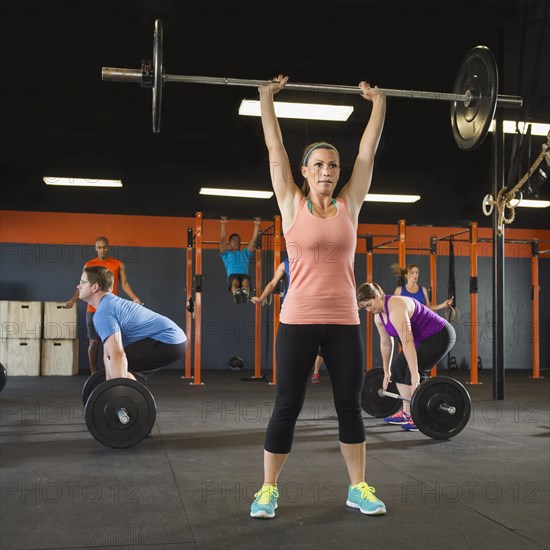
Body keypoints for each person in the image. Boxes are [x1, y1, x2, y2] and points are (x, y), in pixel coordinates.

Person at [249, 75, 386, 519]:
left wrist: (378, 103)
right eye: (319, 165)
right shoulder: (290, 204)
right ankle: (268, 489)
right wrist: (265, 99)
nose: (328, 171)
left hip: (345, 321)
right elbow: (276, 151)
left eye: (333, 166)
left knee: (350, 407)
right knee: (287, 405)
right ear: (305, 172)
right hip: (297, 321)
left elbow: (368, 151)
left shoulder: (352, 205)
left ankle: (357, 487)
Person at [356, 282, 456, 431]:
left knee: (413, 371)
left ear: (377, 296)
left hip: (439, 335)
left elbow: (407, 341)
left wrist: (415, 374)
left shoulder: (396, 306)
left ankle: (420, 416)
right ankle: (407, 413)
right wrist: (386, 371)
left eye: (369, 305)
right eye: (365, 308)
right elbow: (386, 344)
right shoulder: (379, 317)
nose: (369, 310)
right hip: (421, 340)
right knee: (398, 368)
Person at [76, 266, 186, 380]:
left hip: (167, 340)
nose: (78, 286)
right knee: (116, 365)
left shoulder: (103, 312)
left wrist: (116, 387)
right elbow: (107, 352)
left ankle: (125, 393)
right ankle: (124, 390)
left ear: (94, 287)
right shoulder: (107, 304)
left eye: (82, 282)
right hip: (174, 339)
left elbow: (117, 354)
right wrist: (108, 383)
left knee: (120, 366)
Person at [65, 236, 142, 373]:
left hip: (111, 309)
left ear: (108, 247)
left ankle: (111, 372)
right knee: (94, 342)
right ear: (95, 248)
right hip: (92, 309)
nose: (102, 250)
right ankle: (94, 374)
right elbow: (81, 287)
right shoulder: (89, 265)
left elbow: (124, 284)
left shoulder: (118, 264)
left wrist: (135, 298)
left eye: (104, 247)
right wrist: (72, 300)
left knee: (111, 343)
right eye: (99, 247)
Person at [251, 259, 324, 383]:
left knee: (312, 344)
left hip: (309, 308)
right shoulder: (285, 265)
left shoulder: (312, 262)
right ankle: (292, 375)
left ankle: (310, 372)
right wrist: (261, 297)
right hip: (291, 309)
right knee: (290, 343)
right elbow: (273, 283)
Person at [219, 217, 261, 303]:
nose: (236, 242)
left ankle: (245, 293)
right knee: (234, 282)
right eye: (234, 240)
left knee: (246, 282)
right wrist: (223, 224)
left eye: (238, 240)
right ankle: (236, 294)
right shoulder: (226, 254)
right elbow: (222, 240)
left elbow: (253, 241)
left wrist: (256, 225)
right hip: (233, 275)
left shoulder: (245, 252)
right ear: (230, 243)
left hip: (244, 274)